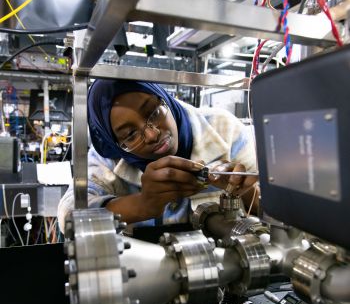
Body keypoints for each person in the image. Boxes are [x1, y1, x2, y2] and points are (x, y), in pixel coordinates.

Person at [57, 79, 258, 233]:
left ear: (164, 97)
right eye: (130, 135)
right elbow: (69, 218)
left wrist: (242, 190)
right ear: (115, 142)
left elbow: (273, 211)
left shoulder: (224, 128)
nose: (152, 135)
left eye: (153, 112)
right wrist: (142, 205)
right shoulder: (108, 159)